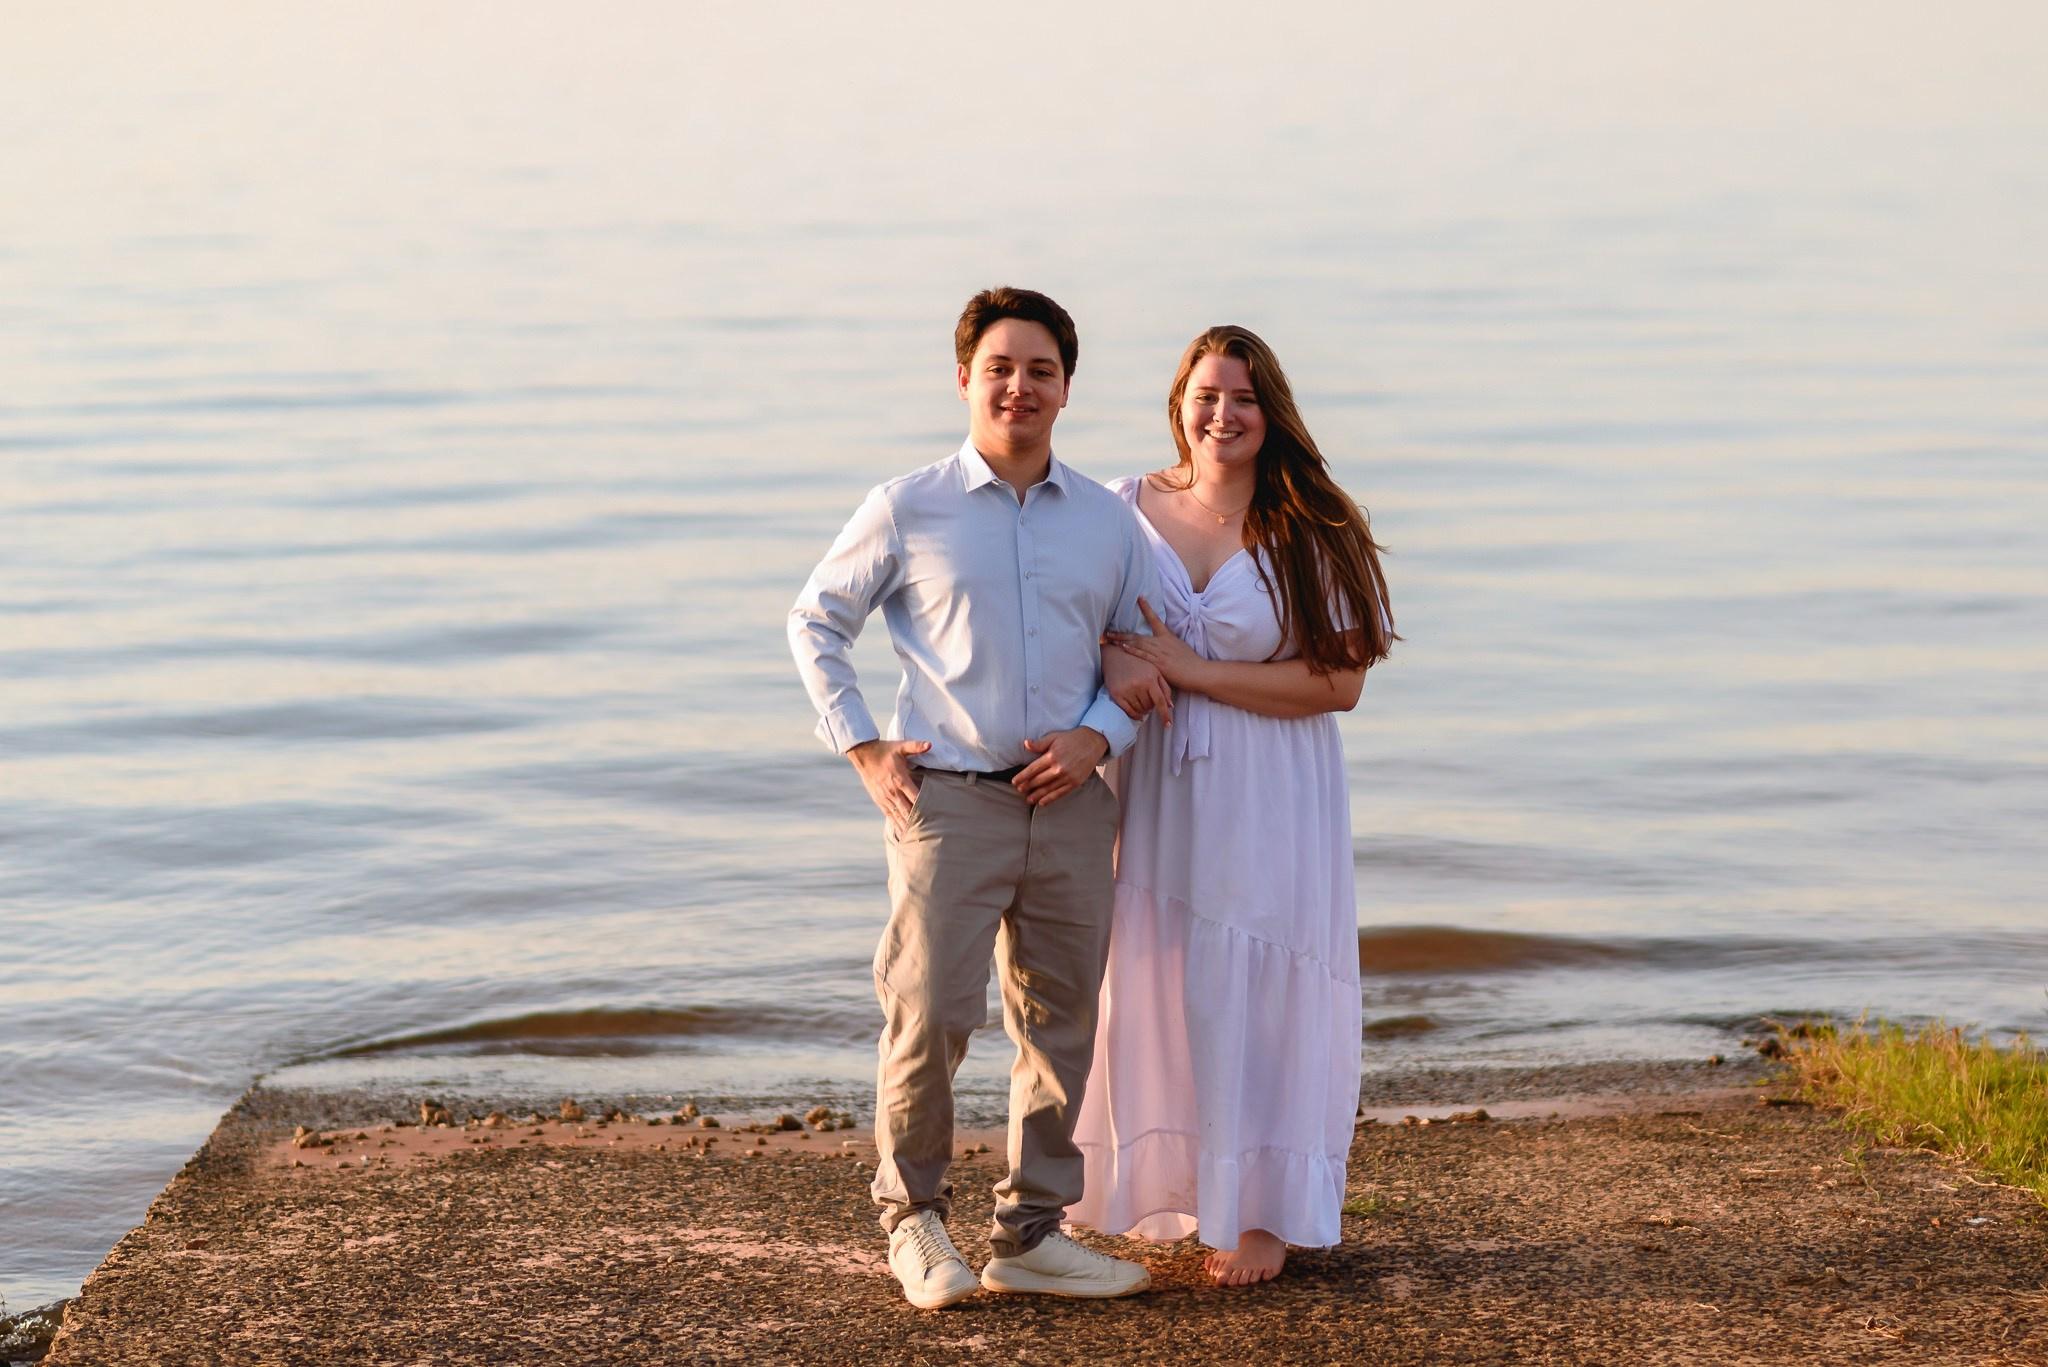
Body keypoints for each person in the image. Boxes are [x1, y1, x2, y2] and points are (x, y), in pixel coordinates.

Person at [787, 287, 1159, 1309]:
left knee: (1061, 1023)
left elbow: (1142, 651)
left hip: (1072, 805)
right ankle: (912, 1220)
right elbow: (815, 621)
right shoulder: (907, 505)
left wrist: (1099, 736)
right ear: (964, 379)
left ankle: (1030, 1234)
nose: (1018, 386)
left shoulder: (1109, 521)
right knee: (929, 1014)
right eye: (1000, 367)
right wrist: (861, 745)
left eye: (1041, 370)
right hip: (946, 801)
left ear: (1066, 388)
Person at [1069, 324, 1396, 1287]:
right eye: (1206, 395)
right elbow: (1078, 630)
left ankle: (1262, 1214)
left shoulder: (1311, 522)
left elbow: (1341, 684)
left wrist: (1196, 671)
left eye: (1243, 398)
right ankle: (1174, 1186)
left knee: (1258, 987)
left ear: (1271, 412)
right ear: (1178, 402)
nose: (1223, 414)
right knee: (1160, 980)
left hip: (1272, 790)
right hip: (1155, 791)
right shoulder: (1119, 509)